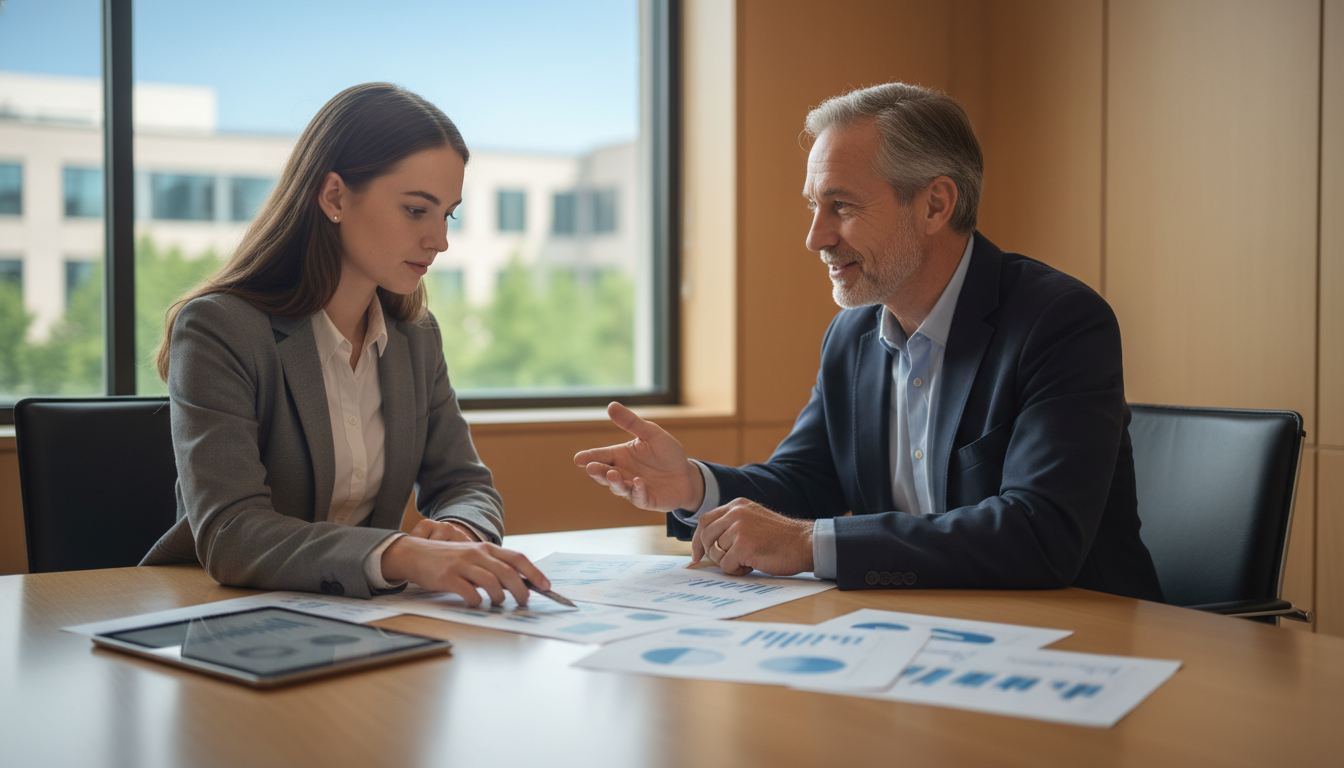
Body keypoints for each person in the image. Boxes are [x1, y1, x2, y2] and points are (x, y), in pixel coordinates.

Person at [574, 82, 1164, 601]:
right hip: (924, 632)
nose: (816, 238)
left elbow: (1039, 534)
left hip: (1080, 640)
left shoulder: (1059, 322)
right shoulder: (853, 334)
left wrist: (810, 543)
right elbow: (805, 484)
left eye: (843, 206)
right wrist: (695, 487)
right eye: (814, 206)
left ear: (935, 204)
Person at [142, 83, 551, 606]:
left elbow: (465, 483)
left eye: (447, 214)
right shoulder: (220, 329)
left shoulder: (415, 338)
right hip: (217, 612)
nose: (440, 241)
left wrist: (460, 531)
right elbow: (231, 533)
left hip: (356, 618)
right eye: (415, 210)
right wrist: (400, 554)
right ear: (334, 196)